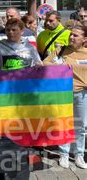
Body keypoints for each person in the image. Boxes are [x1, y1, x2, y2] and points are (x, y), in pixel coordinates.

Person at [42, 25, 87, 169]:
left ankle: (79, 154)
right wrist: (59, 65)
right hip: (62, 94)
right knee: (63, 124)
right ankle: (64, 154)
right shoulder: (60, 50)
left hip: (82, 94)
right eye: (71, 35)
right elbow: (45, 63)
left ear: (85, 39)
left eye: (75, 35)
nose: (71, 37)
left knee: (81, 126)